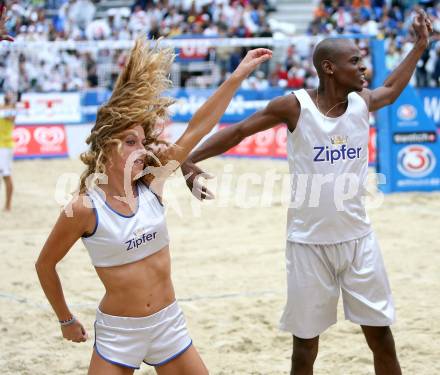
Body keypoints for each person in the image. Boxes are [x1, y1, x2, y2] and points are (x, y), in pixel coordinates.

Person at [180, 10, 432, 375]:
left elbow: (392, 88)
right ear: (329, 68)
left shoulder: (363, 102)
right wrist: (189, 158)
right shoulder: (294, 106)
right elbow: (238, 132)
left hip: (359, 241)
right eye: (355, 61)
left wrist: (420, 45)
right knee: (304, 348)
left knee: (381, 338)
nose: (363, 69)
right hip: (308, 246)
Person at [35, 37, 271, 375]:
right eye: (130, 142)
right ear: (107, 147)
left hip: (168, 325)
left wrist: (238, 75)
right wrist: (66, 319)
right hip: (120, 333)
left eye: (142, 142)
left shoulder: (151, 182)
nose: (141, 150)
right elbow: (45, 265)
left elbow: (198, 128)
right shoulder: (84, 207)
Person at [0, 90, 16, 211]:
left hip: (4, 147)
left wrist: (11, 102)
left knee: (6, 176)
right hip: (3, 146)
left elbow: (10, 117)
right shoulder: (4, 107)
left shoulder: (11, 109)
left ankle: (8, 205)